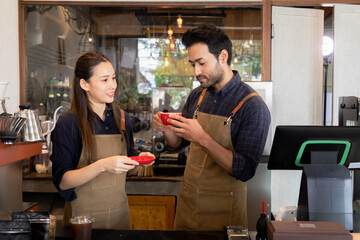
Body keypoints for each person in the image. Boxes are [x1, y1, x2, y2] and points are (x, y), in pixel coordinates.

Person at [153, 25, 271, 231]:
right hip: (188, 205)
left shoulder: (252, 106)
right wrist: (167, 131)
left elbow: (244, 170)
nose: (196, 72)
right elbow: (179, 144)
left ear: (223, 56)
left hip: (225, 213)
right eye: (192, 64)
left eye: (201, 63)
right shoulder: (196, 96)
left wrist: (203, 138)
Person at [50, 51, 153, 230]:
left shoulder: (122, 119)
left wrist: (139, 161)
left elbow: (129, 169)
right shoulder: (69, 123)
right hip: (82, 221)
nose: (112, 85)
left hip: (119, 217)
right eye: (104, 80)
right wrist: (102, 165)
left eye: (113, 78)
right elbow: (63, 181)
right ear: (84, 84)